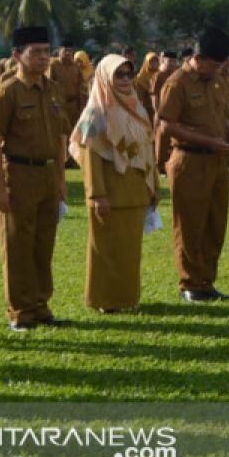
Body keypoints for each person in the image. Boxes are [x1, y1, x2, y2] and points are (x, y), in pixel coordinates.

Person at [0, 26, 71, 331]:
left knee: (43, 243)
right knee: (17, 244)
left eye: (45, 50)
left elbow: (61, 137)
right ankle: (20, 311)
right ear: (16, 55)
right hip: (19, 173)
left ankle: (40, 305)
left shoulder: (53, 90)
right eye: (34, 51)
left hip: (48, 173)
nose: (42, 57)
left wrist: (61, 179)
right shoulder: (8, 91)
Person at [73, 55, 159, 313]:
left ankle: (126, 299)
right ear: (104, 77)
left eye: (128, 74)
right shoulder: (96, 111)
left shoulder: (137, 107)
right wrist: (97, 194)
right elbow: (91, 155)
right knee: (106, 250)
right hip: (110, 193)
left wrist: (153, 184)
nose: (124, 80)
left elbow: (146, 150)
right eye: (117, 75)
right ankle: (104, 301)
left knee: (129, 251)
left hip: (135, 191)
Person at [159, 28, 229, 301]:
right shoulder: (177, 83)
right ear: (198, 58)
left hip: (217, 161)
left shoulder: (216, 81)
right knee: (190, 226)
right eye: (214, 65)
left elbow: (221, 117)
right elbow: (167, 125)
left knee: (215, 224)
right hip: (189, 160)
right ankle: (190, 283)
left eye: (222, 65)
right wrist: (206, 140)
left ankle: (207, 281)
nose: (218, 70)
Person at [134, 52, 160, 121]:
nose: (154, 63)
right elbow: (138, 97)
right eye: (151, 61)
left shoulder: (161, 75)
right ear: (146, 62)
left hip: (160, 110)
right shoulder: (140, 78)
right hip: (146, 110)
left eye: (156, 61)